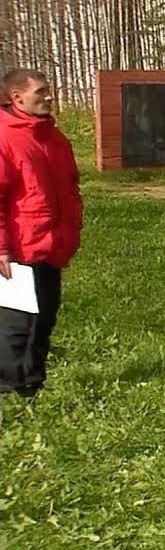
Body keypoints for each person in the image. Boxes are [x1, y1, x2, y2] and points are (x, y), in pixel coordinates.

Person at [0, 69, 83, 400]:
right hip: (19, 248)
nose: (49, 97)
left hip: (52, 242)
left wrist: (71, 229)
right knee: (17, 324)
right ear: (17, 97)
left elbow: (70, 186)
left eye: (49, 91)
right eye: (41, 92)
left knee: (45, 318)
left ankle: (32, 385)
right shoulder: (5, 136)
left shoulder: (54, 137)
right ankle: (9, 389)